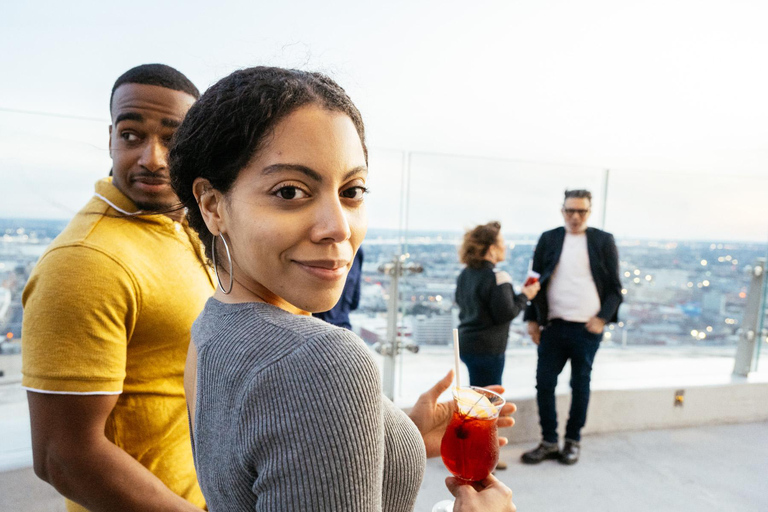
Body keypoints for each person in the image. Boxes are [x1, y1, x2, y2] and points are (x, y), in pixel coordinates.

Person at [170, 66, 517, 512]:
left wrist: (397, 434)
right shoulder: (319, 361)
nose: (339, 227)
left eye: (352, 190)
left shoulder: (214, 324)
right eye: (291, 192)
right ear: (213, 205)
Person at [21, 64, 212, 512]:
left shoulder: (184, 228)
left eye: (173, 138)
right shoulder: (84, 261)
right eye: (131, 135)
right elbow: (63, 458)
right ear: (110, 137)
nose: (152, 158)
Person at [521, 189, 622, 466]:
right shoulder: (549, 238)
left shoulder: (602, 240)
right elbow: (533, 281)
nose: (575, 216)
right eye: (570, 211)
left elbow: (615, 289)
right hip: (553, 325)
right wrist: (532, 319)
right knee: (544, 384)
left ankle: (573, 441)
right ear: (562, 210)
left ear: (589, 212)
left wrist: (601, 318)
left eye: (581, 211)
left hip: (586, 329)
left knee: (580, 385)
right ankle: (549, 442)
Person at [455, 221, 540, 387]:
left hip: (466, 343)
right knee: (489, 399)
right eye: (502, 243)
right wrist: (525, 295)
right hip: (488, 347)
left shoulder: (465, 274)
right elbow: (507, 313)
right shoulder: (498, 277)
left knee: (476, 394)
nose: (505, 247)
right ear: (492, 248)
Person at [313, 245, 364, 329]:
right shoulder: (355, 250)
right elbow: (355, 302)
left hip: (309, 328)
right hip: (343, 328)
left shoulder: (313, 248)